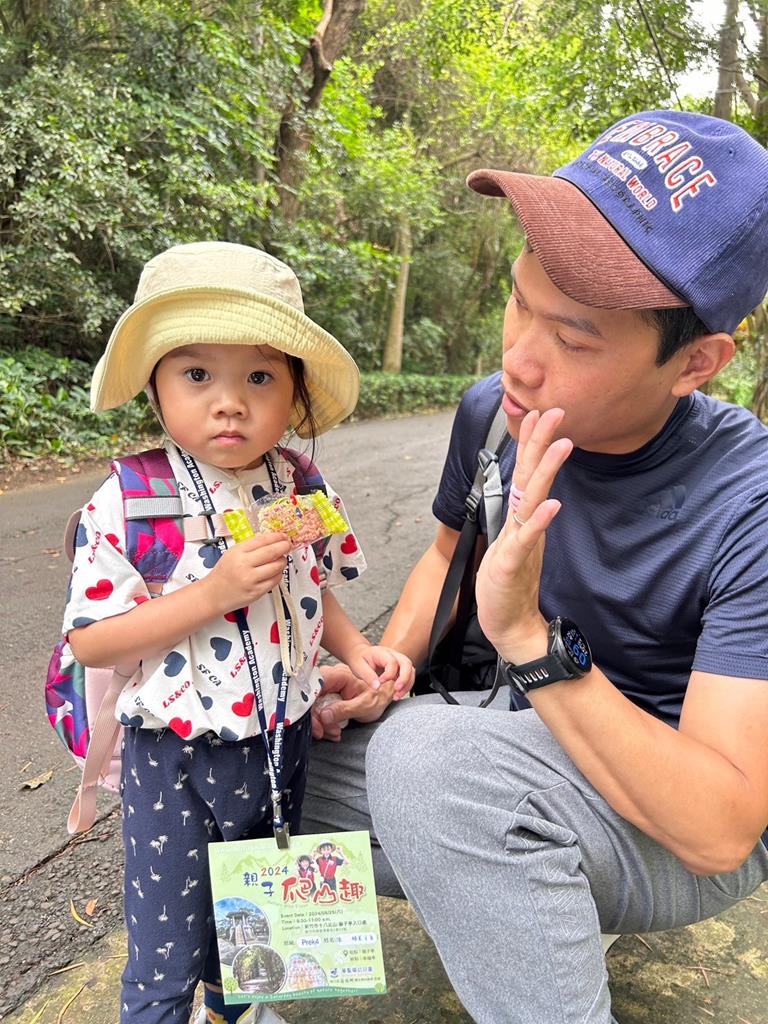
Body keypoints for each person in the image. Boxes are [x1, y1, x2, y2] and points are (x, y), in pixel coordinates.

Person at [302, 110, 768, 1022]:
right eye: (519, 302)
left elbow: (721, 828)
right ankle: (503, 888)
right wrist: (386, 664)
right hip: (509, 737)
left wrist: (525, 636)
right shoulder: (492, 413)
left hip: (668, 814)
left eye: (575, 338)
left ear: (697, 363)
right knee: (231, 746)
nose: (519, 359)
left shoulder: (748, 500)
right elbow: (447, 551)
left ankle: (522, 884)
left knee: (432, 769)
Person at [61, 241, 414, 1024]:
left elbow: (311, 584)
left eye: (259, 377)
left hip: (282, 741)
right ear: (153, 384)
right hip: (174, 754)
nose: (230, 402)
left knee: (251, 919)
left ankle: (234, 1011)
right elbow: (93, 641)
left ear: (295, 391)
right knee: (165, 945)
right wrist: (212, 594)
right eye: (197, 374)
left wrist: (360, 652)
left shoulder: (297, 483)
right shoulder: (133, 499)